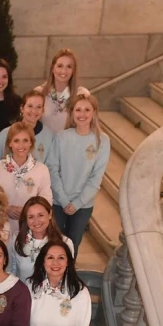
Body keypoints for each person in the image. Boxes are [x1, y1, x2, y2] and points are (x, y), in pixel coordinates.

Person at [49, 93, 110, 256]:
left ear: (94, 113)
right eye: (78, 110)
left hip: (83, 205)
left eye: (87, 110)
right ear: (72, 113)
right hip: (58, 201)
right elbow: (53, 169)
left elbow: (96, 177)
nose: (82, 114)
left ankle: (69, 279)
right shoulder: (62, 137)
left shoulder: (102, 141)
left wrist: (77, 203)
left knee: (72, 244)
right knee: (55, 243)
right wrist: (63, 199)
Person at [27, 242, 91, 326]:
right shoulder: (30, 286)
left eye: (61, 258)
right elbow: (20, 324)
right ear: (43, 262)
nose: (55, 263)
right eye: (50, 257)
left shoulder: (79, 292)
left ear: (68, 262)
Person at [0, 122, 53, 233]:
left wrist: (27, 211)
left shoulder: (41, 169)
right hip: (0, 226)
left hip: (30, 227)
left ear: (31, 143)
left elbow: (46, 200)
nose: (21, 145)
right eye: (16, 141)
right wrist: (6, 209)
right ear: (10, 143)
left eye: (25, 140)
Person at [9, 196, 73, 282]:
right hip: (23, 292)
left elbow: (67, 275)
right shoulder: (17, 239)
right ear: (26, 219)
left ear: (50, 214)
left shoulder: (65, 243)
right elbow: (12, 269)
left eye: (41, 215)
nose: (36, 221)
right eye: (31, 217)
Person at [0, 90, 56, 167]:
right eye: (30, 106)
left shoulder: (49, 136)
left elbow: (51, 167)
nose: (34, 111)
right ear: (22, 108)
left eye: (38, 107)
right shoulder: (5, 134)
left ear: (42, 110)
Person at [36, 49, 89, 135]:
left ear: (73, 71)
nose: (63, 71)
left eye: (69, 66)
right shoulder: (39, 92)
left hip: (68, 145)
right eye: (60, 66)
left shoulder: (81, 94)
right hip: (43, 144)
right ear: (53, 68)